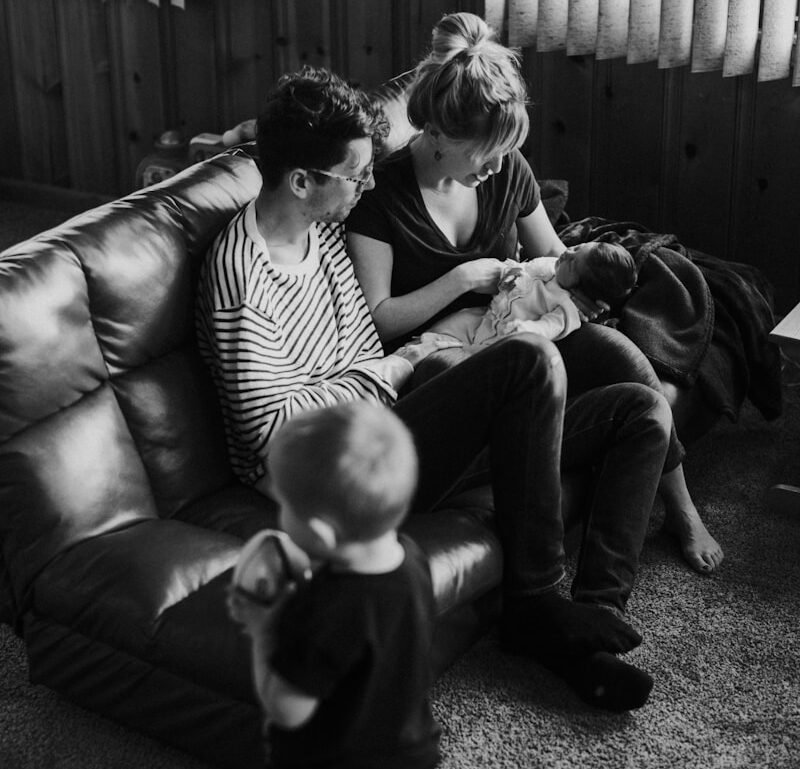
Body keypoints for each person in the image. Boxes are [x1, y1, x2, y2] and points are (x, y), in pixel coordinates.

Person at [197, 64, 672, 715]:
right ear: (303, 180)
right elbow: (270, 436)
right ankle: (535, 605)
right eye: (356, 174)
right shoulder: (240, 280)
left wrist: (373, 376)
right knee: (528, 364)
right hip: (332, 480)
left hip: (386, 430)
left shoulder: (322, 232)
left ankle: (589, 628)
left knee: (641, 410)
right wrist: (379, 376)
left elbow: (364, 355)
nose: (367, 184)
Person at [346, 11, 723, 576]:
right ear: (438, 135)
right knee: (458, 365)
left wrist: (579, 291)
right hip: (448, 357)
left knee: (618, 353)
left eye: (506, 151)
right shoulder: (381, 198)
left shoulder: (506, 171)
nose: (498, 166)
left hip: (521, 322)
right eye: (487, 152)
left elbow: (551, 255)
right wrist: (460, 280)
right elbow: (379, 319)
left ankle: (681, 507)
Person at [227, 402, 439, 769]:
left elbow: (287, 708)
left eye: (283, 504)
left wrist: (263, 630)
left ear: (322, 532)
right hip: (407, 766)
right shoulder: (411, 560)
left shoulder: (322, 612)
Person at [428, 241, 636, 347]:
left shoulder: (567, 310)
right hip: (488, 317)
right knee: (447, 327)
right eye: (576, 247)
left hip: (501, 340)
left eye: (573, 263)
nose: (567, 252)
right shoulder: (551, 269)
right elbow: (525, 270)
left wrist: (525, 329)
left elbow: (547, 328)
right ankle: (404, 359)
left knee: (453, 352)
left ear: (581, 290)